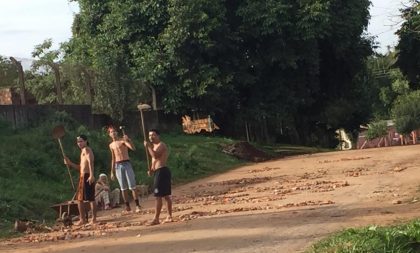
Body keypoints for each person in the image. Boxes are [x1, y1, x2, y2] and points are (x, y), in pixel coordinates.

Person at [64, 134, 97, 225]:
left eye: (81, 141)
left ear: (86, 141)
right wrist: (70, 163)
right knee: (80, 199)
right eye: (78, 142)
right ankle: (82, 219)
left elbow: (91, 162)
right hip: (83, 176)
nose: (79, 143)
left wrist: (91, 175)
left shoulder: (87, 149)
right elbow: (80, 167)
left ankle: (93, 219)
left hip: (87, 175)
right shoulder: (82, 151)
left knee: (90, 198)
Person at [108, 126, 141, 213]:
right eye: (111, 132)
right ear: (109, 134)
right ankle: (127, 206)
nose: (113, 133)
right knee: (123, 187)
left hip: (126, 163)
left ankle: (137, 205)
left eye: (114, 131)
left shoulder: (122, 141)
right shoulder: (111, 145)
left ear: (117, 132)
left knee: (132, 185)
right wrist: (112, 171)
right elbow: (113, 158)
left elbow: (133, 148)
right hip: (117, 165)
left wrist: (128, 140)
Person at [144, 129, 173, 225]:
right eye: (149, 135)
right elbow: (154, 161)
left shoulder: (161, 145)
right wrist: (151, 170)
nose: (151, 137)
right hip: (158, 172)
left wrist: (148, 147)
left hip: (162, 171)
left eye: (153, 135)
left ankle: (156, 218)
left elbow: (156, 156)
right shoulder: (154, 147)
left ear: (158, 136)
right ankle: (169, 216)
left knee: (158, 196)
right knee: (165, 195)